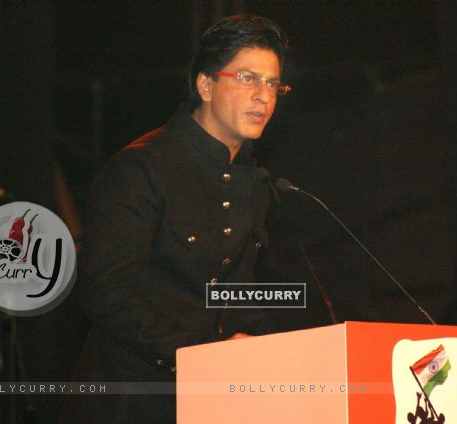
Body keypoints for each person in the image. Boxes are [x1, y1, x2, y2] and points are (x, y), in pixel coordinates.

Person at [61, 14, 290, 423]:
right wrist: (201, 354)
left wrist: (280, 352)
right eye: (247, 78)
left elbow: (235, 295)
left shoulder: (252, 182)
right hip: (129, 400)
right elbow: (105, 290)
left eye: (273, 83)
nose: (263, 96)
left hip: (207, 402)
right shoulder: (142, 167)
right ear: (205, 84)